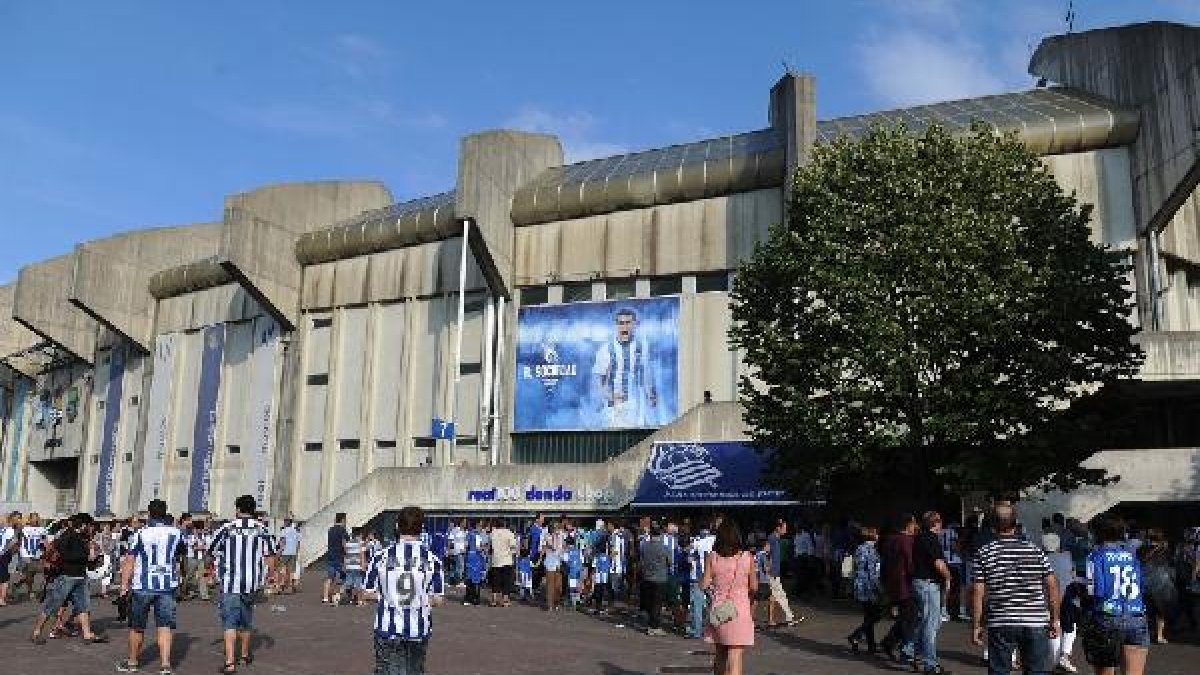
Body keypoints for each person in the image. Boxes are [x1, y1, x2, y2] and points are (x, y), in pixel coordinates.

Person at [971, 504, 1060, 675]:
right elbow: (1052, 585)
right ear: (1016, 523)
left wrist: (977, 625)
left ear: (993, 525)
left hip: (1001, 620)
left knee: (999, 671)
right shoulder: (1035, 551)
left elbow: (978, 591)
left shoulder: (984, 553)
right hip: (1035, 620)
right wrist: (1054, 618)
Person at [366, 505, 444, 675]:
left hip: (387, 627)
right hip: (418, 627)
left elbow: (367, 592)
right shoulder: (433, 560)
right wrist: (421, 599)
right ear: (422, 528)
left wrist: (386, 596)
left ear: (397, 526)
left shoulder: (380, 557)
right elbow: (438, 599)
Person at [207, 495, 278, 674]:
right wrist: (271, 575)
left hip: (231, 582)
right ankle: (245, 655)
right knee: (246, 619)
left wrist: (210, 569)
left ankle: (230, 662)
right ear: (253, 510)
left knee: (230, 621)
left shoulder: (227, 528)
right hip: (251, 582)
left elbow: (211, 551)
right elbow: (270, 555)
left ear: (238, 509)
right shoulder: (262, 529)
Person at [116, 498, 184, 674]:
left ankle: (132, 662)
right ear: (165, 512)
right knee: (165, 626)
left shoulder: (140, 533)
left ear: (149, 513)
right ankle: (165, 665)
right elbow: (180, 556)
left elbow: (129, 561)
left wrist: (123, 586)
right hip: (167, 586)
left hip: (143, 585)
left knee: (137, 627)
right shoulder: (176, 533)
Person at [1083, 515, 1149, 675]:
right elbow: (1141, 586)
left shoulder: (1095, 556)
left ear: (1097, 533)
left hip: (1107, 616)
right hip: (1136, 615)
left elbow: (1096, 591)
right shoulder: (1131, 557)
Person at [30, 513, 108, 645]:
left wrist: (92, 558)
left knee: (83, 606)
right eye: (89, 525)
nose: (90, 528)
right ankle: (36, 632)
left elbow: (84, 557)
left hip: (81, 577)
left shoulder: (83, 537)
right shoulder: (68, 535)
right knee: (52, 605)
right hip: (67, 577)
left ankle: (87, 634)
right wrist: (85, 558)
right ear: (83, 525)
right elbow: (64, 553)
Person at [701, 519, 757, 675]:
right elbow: (754, 587)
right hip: (740, 610)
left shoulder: (712, 557)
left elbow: (704, 585)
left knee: (720, 654)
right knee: (735, 655)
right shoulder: (747, 557)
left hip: (719, 611)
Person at [593, 306, 659, 427]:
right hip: (614, 407)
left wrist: (650, 394)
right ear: (616, 325)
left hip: (636, 404)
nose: (624, 327)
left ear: (634, 324)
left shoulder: (642, 346)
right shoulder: (605, 349)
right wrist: (610, 397)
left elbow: (646, 373)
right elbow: (598, 382)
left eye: (628, 323)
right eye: (621, 323)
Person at [912, 511, 953, 674]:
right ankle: (930, 664)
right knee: (931, 625)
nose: (941, 524)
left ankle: (915, 655)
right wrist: (948, 577)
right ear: (935, 523)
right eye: (940, 522)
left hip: (919, 583)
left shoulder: (919, 538)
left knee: (923, 622)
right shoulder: (931, 539)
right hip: (929, 584)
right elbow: (938, 564)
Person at [880, 514, 918, 664]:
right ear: (908, 525)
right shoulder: (906, 540)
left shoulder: (889, 540)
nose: (915, 526)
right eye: (914, 523)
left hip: (893, 584)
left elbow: (884, 563)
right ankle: (904, 648)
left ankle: (889, 642)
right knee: (911, 618)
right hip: (905, 585)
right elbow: (910, 563)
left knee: (906, 616)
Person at [848, 525, 884, 654]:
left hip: (860, 585)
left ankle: (871, 645)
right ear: (872, 536)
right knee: (876, 615)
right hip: (868, 586)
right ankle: (855, 635)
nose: (879, 536)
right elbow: (873, 573)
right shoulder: (871, 550)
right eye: (877, 534)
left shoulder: (859, 548)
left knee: (868, 616)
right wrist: (879, 588)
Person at [1137, 528, 1176, 645]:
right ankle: (1159, 635)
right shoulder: (1165, 551)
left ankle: (1145, 634)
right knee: (1160, 611)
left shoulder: (1141, 550)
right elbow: (1171, 565)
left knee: (1146, 610)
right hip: (1161, 584)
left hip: (1144, 582)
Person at [765, 519, 801, 628]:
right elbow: (766, 552)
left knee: (774, 596)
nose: (786, 530)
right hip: (773, 573)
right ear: (778, 528)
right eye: (784, 528)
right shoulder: (772, 538)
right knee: (780, 596)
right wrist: (769, 569)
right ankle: (789, 618)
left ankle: (771, 620)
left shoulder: (776, 538)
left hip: (775, 572)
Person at [640, 521, 672, 636]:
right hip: (660, 578)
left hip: (647, 577)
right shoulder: (665, 548)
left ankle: (650, 625)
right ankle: (655, 626)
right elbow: (670, 562)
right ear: (661, 535)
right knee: (657, 603)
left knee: (649, 602)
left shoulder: (644, 546)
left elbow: (641, 560)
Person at [688, 523, 716, 638]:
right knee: (715, 604)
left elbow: (689, 559)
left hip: (698, 577)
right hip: (713, 577)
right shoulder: (715, 540)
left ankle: (697, 630)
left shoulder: (695, 541)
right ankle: (714, 630)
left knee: (697, 605)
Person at [15, 512, 47, 602]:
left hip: (38, 554)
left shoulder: (42, 529)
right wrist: (19, 552)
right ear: (30, 519)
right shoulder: (25, 529)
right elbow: (19, 540)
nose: (35, 520)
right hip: (26, 554)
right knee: (30, 574)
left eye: (36, 518)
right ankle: (30, 591)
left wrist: (46, 550)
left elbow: (44, 540)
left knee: (38, 572)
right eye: (33, 518)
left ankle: (19, 583)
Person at [488, 520, 517, 607]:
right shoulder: (509, 533)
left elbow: (490, 547)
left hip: (496, 560)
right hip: (506, 560)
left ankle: (494, 599)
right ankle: (505, 600)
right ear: (504, 524)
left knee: (495, 580)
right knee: (506, 581)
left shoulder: (492, 533)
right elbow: (513, 547)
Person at [323, 512, 348, 605]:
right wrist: (347, 554)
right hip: (339, 557)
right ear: (343, 520)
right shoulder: (343, 530)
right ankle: (338, 595)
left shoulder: (330, 530)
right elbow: (344, 543)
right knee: (345, 577)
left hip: (330, 556)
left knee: (330, 578)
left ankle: (325, 597)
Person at [342, 527, 367, 606]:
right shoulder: (361, 543)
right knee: (358, 584)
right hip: (357, 566)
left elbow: (346, 555)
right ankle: (358, 601)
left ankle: (340, 597)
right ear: (360, 534)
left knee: (348, 583)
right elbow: (362, 555)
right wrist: (363, 566)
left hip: (349, 566)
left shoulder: (348, 543)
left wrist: (345, 565)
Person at [0, 511, 19, 606]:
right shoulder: (9, 529)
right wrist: (5, 550)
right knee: (4, 579)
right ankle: (2, 599)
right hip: (3, 556)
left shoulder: (3, 529)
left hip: (3, 555)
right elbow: (14, 541)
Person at [277, 518, 301, 594]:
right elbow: (298, 544)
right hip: (293, 553)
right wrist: (296, 552)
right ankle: (290, 587)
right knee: (291, 570)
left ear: (286, 522)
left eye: (284, 522)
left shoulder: (284, 531)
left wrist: (279, 552)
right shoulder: (296, 531)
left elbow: (283, 542)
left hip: (285, 552)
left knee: (283, 568)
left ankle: (282, 585)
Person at [447, 519, 466, 587]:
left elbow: (464, 542)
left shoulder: (464, 532)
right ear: (461, 523)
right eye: (464, 522)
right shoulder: (455, 530)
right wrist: (449, 550)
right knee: (460, 567)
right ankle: (458, 582)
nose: (465, 524)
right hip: (456, 552)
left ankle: (451, 582)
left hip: (462, 552)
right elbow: (450, 540)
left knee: (455, 567)